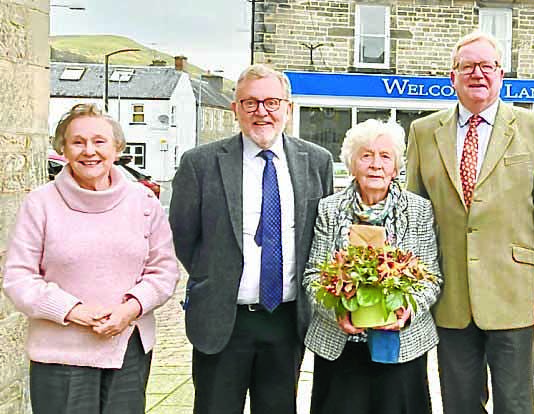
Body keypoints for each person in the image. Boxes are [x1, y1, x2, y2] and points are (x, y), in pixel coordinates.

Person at [406, 31, 534, 414]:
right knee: (459, 403)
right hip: (449, 296)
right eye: (467, 67)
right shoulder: (424, 132)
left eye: (486, 66)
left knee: (515, 404)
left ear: (501, 74)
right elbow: (413, 216)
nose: (477, 74)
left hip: (515, 295)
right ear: (453, 77)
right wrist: (410, 289)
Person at [169, 64, 334, 414]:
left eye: (272, 102)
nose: (262, 112)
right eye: (251, 103)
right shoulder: (200, 163)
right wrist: (214, 276)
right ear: (235, 109)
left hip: (286, 320)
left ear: (288, 108)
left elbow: (321, 236)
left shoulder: (316, 162)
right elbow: (184, 236)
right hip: (222, 320)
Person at [3, 103, 179, 414]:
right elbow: (18, 278)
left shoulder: (143, 201)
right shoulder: (40, 203)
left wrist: (131, 308)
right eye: (77, 142)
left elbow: (163, 271)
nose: (89, 151)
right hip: (60, 357)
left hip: (127, 350)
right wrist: (74, 311)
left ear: (117, 147)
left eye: (99, 141)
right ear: (62, 149)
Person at [303, 119, 442, 414]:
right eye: (366, 155)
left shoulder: (419, 210)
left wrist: (407, 311)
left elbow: (431, 278)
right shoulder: (328, 209)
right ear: (352, 164)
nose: (375, 164)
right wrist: (336, 311)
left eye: (385, 156)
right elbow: (313, 276)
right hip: (340, 347)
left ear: (396, 168)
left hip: (402, 346)